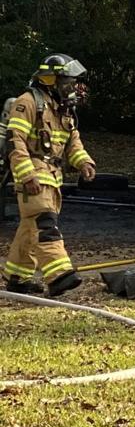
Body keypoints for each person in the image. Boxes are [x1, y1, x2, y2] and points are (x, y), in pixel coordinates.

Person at [3, 54, 95, 296]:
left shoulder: (63, 110)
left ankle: (16, 277)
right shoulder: (28, 102)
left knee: (30, 228)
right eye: (68, 82)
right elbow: (15, 141)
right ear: (51, 80)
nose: (73, 87)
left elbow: (72, 143)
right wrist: (26, 175)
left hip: (52, 177)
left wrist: (84, 162)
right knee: (45, 225)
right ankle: (59, 276)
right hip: (34, 174)